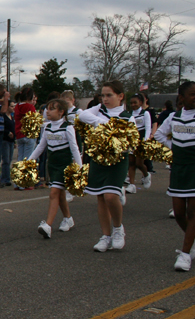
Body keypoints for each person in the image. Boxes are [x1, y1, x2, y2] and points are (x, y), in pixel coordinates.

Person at [154, 81, 195, 271]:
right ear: (181, 98)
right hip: (179, 167)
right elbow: (159, 135)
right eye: (193, 94)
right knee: (179, 212)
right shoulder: (174, 117)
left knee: (192, 212)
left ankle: (185, 254)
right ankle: (194, 236)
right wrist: (175, 147)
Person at [78, 81, 133, 253]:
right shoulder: (99, 110)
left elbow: (129, 141)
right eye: (103, 95)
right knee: (100, 197)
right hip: (98, 159)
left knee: (110, 196)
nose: (105, 99)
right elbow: (82, 116)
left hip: (117, 161)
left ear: (120, 96)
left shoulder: (127, 116)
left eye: (109, 95)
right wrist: (101, 123)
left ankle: (118, 229)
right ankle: (105, 235)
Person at [27, 99, 82, 238]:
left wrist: (80, 168)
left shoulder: (68, 127)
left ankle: (48, 225)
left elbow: (74, 148)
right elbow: (41, 146)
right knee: (60, 194)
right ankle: (68, 219)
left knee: (54, 193)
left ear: (61, 112)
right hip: (51, 166)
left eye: (52, 109)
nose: (47, 111)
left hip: (64, 166)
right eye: (47, 108)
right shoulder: (47, 127)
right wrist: (29, 161)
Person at [126, 94, 152, 194]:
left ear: (140, 103)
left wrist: (145, 141)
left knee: (139, 163)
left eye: (135, 103)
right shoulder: (129, 114)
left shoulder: (145, 113)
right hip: (132, 140)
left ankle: (146, 175)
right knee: (131, 163)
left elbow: (148, 127)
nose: (133, 105)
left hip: (141, 139)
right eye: (131, 103)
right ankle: (132, 185)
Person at [14, 88, 37, 168]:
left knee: (20, 158)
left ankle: (19, 174)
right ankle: (26, 177)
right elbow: (34, 121)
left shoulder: (17, 106)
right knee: (28, 158)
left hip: (19, 134)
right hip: (29, 135)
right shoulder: (30, 107)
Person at [0, 101, 15, 186]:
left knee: (9, 160)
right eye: (12, 106)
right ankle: (5, 179)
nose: (13, 108)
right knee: (5, 160)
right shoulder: (3, 117)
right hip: (5, 140)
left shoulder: (12, 117)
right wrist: (7, 133)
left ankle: (5, 177)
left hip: (11, 141)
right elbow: (2, 128)